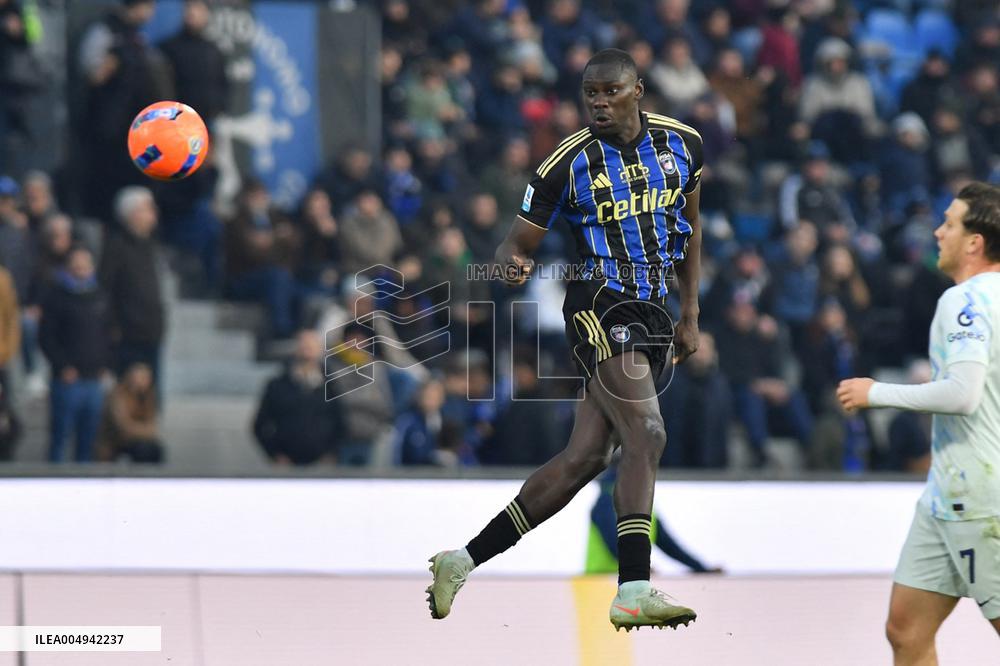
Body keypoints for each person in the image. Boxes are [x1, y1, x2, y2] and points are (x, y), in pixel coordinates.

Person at [427, 49, 704, 631]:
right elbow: (516, 242)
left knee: (585, 459)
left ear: (638, 91)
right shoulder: (566, 162)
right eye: (590, 94)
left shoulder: (684, 144)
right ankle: (633, 588)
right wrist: (511, 263)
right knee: (648, 431)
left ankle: (463, 558)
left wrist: (690, 311)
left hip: (655, 310)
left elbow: (691, 224)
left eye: (611, 92)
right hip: (599, 303)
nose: (599, 103)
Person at [837, 182, 1000, 665]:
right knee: (906, 630)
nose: (937, 232)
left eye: (949, 224)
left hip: (978, 496)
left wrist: (876, 393)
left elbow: (962, 394)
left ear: (974, 242)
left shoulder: (965, 301)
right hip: (944, 496)